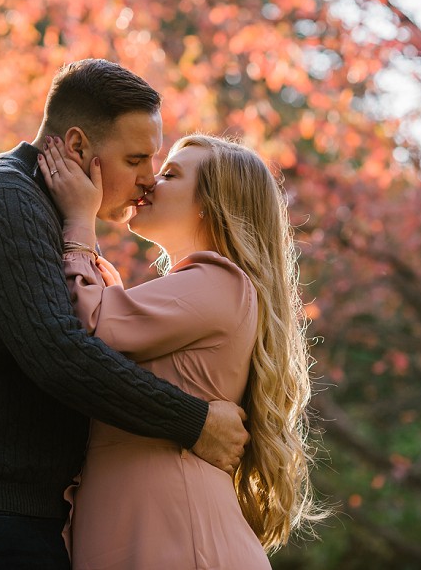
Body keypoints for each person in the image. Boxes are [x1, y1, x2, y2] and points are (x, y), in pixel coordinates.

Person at [0, 60, 249, 570]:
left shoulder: (47, 211)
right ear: (79, 147)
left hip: (16, 515)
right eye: (136, 159)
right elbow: (57, 353)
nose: (148, 179)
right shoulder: (1, 198)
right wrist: (193, 422)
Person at [38, 133, 321, 569]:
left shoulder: (218, 282)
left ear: (214, 202)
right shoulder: (200, 291)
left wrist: (79, 221)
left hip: (179, 539)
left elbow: (86, 328)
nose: (150, 181)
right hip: (153, 528)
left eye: (170, 174)